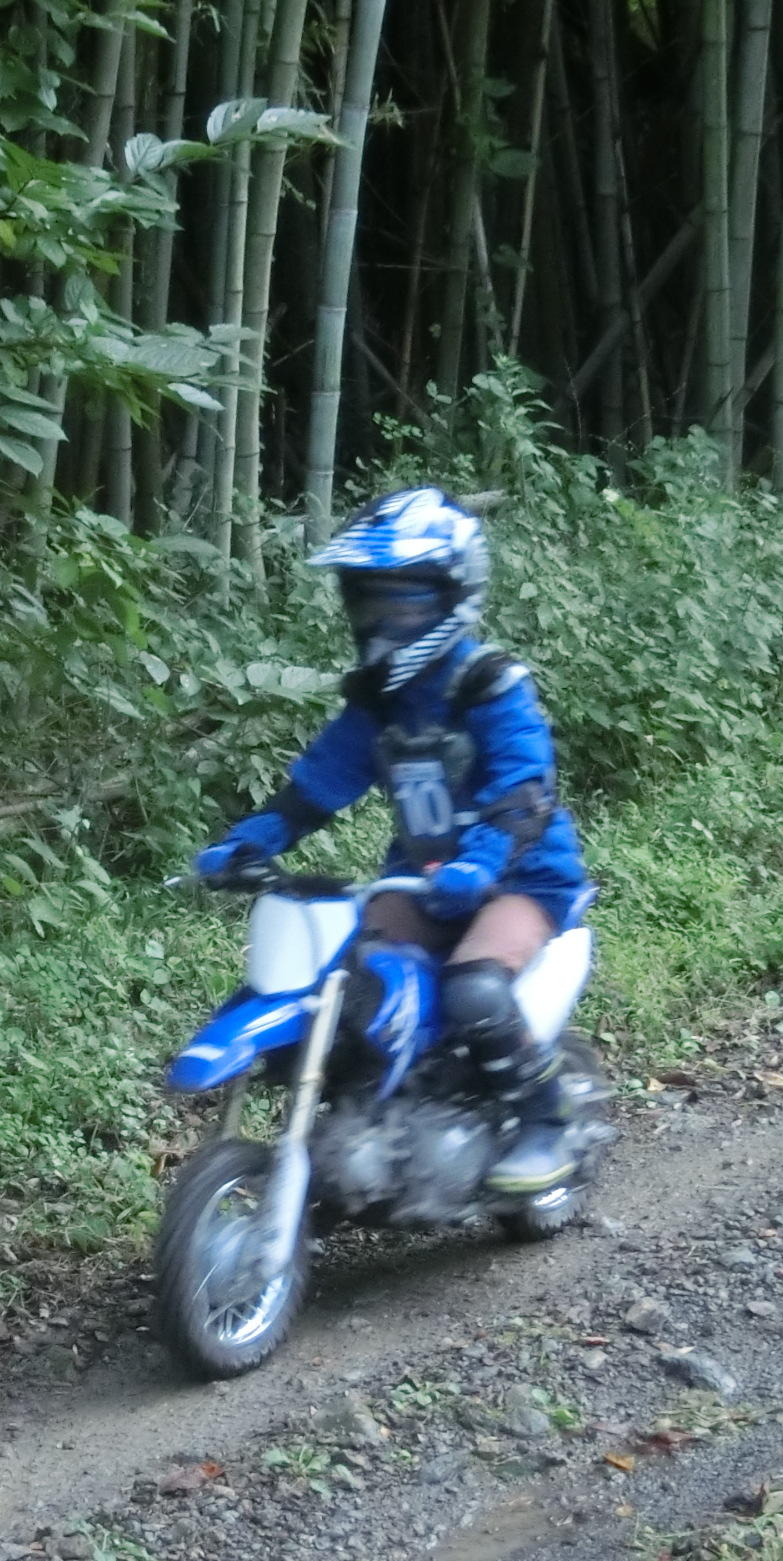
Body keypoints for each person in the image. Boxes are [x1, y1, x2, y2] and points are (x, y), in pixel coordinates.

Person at [194, 487, 593, 1194]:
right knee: (340, 979)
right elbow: (319, 783)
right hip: (425, 876)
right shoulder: (376, 701)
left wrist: (484, 862)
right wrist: (253, 838)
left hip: (522, 878)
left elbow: (525, 790)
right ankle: (372, 1110)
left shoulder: (488, 685)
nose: (382, 618)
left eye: (403, 601)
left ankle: (544, 1121)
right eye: (369, 600)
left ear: (449, 597)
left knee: (473, 988)